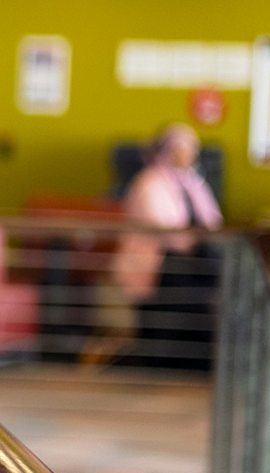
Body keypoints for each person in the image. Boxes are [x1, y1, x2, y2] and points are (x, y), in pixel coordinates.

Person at [84, 124, 223, 366]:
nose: (188, 154)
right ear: (169, 150)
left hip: (190, 264)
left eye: (192, 148)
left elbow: (214, 221)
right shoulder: (149, 182)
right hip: (157, 266)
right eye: (182, 148)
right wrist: (196, 241)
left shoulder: (194, 183)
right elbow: (164, 230)